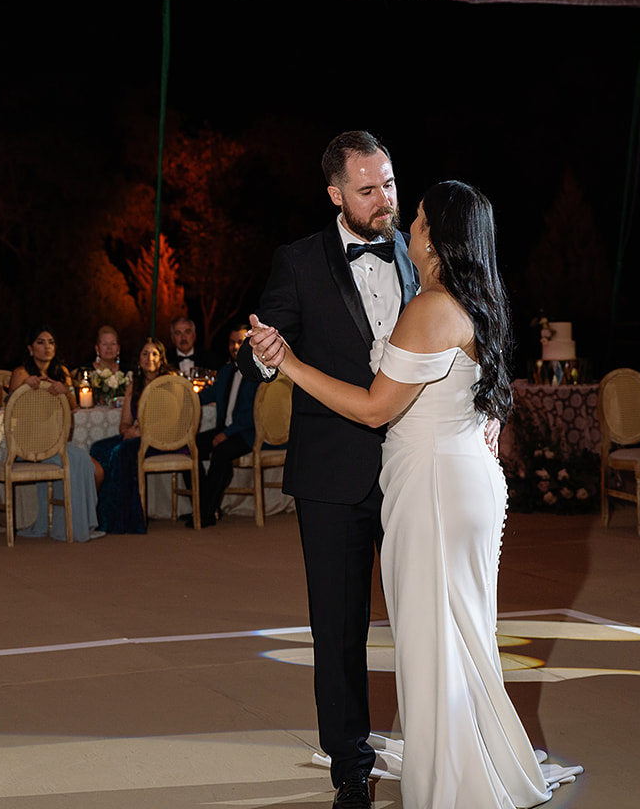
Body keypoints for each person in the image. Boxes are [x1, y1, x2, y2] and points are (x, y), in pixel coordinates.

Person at [251, 181, 580, 809]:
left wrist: (289, 365)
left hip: (431, 486)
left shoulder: (430, 305)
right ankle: (464, 754)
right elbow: (480, 384)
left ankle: (449, 780)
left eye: (418, 214)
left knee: (433, 635)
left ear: (437, 236)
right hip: (462, 479)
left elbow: (376, 409)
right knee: (459, 630)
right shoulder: (479, 299)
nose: (406, 217)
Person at [235, 130, 420, 807]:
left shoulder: (418, 251)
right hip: (332, 473)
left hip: (413, 466)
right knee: (338, 628)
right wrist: (265, 347)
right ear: (336, 194)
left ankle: (437, 743)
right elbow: (268, 338)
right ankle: (351, 769)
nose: (385, 200)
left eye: (391, 184)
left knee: (423, 619)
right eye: (369, 189)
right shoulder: (298, 259)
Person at [5, 325, 101, 541]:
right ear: (31, 348)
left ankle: (76, 526)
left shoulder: (62, 373)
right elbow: (10, 409)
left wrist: (65, 391)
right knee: (78, 458)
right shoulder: (21, 373)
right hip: (27, 443)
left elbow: (74, 406)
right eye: (41, 342)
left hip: (54, 441)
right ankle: (76, 528)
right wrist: (23, 388)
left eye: (51, 342)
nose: (47, 347)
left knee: (86, 463)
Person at [90, 339, 176, 535]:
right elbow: (124, 424)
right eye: (145, 354)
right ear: (138, 359)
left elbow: (173, 419)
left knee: (121, 452)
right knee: (99, 448)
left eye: (154, 354)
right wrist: (128, 431)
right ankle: (101, 517)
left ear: (161, 358)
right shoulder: (134, 385)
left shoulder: (169, 381)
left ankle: (125, 521)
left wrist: (144, 432)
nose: (149, 358)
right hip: (137, 437)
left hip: (163, 439)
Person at [186, 321, 257, 528]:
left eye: (241, 342)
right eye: (232, 342)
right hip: (225, 429)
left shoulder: (259, 373)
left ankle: (205, 514)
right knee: (189, 446)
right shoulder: (226, 371)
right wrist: (182, 396)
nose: (235, 347)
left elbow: (254, 415)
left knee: (221, 452)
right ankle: (201, 507)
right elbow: (207, 394)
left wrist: (226, 434)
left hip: (247, 433)